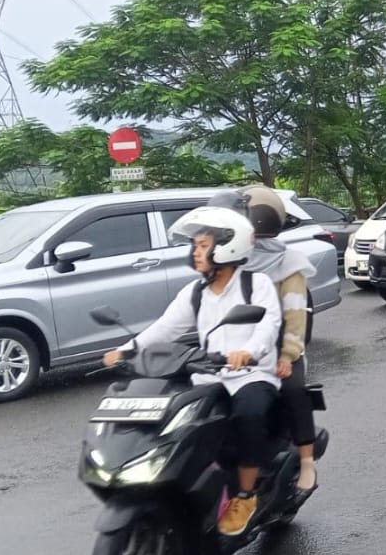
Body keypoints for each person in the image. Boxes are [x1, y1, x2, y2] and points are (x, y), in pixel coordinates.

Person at [102, 206, 282, 537]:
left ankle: (246, 495)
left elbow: (268, 325)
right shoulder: (195, 292)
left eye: (202, 246)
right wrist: (127, 350)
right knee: (174, 418)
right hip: (208, 375)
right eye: (194, 245)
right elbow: (165, 328)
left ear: (227, 247)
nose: (195, 252)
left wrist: (248, 351)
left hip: (250, 375)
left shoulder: (257, 285)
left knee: (249, 414)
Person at [207, 185, 321, 501]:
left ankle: (306, 463)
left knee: (294, 390)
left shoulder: (289, 264)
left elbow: (295, 317)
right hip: (233, 351)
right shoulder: (228, 261)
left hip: (278, 350)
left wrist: (288, 355)